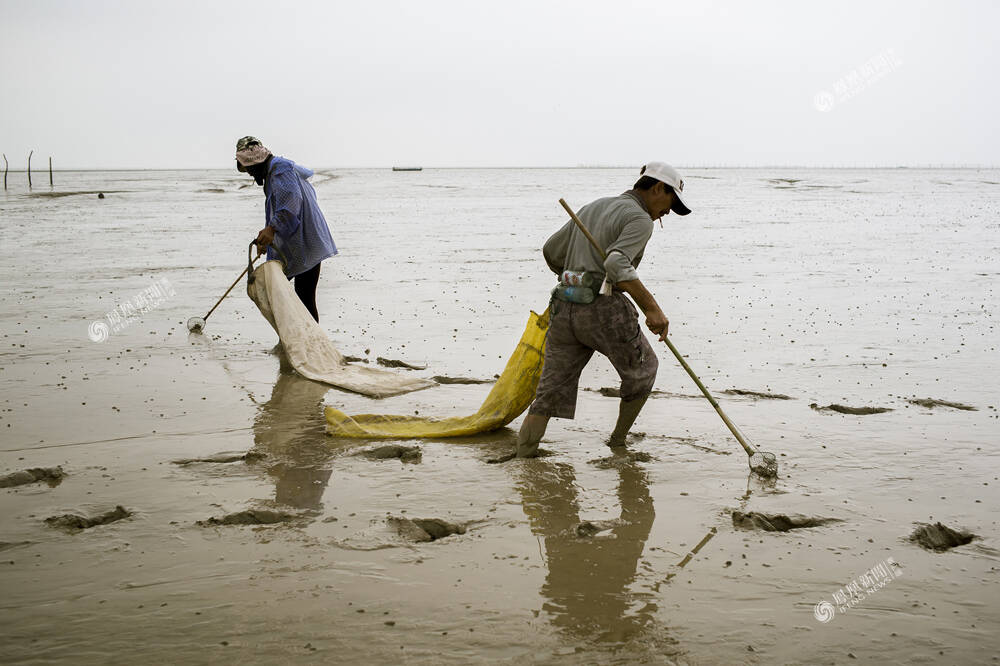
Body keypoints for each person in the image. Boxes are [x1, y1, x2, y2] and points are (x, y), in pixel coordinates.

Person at [516, 162, 691, 458]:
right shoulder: (640, 218)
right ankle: (619, 443)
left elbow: (551, 251)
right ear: (658, 188)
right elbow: (616, 264)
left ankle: (525, 452)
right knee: (644, 370)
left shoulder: (592, 207)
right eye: (670, 204)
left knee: (550, 389)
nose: (667, 213)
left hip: (564, 304)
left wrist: (575, 276)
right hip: (604, 310)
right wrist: (653, 310)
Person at [235, 136, 337, 322]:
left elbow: (290, 205)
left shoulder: (280, 169)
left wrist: (272, 229)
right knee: (295, 297)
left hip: (306, 241)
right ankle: (301, 341)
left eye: (248, 168)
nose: (249, 173)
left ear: (256, 163)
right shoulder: (275, 171)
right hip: (303, 240)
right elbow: (284, 209)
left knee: (302, 297)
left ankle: (310, 344)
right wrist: (269, 236)